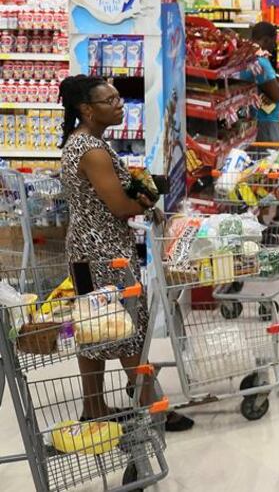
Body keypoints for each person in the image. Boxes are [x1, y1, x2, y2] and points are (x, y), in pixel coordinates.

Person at [59, 75, 193, 431]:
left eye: (119, 98)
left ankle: (95, 408)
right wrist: (147, 199)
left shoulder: (83, 142)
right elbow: (119, 205)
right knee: (127, 326)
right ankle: (152, 407)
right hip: (105, 253)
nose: (119, 105)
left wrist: (143, 195)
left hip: (86, 250)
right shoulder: (92, 150)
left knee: (92, 327)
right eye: (110, 100)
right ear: (87, 110)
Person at [242, 22, 279, 229]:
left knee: (258, 171)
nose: (274, 45)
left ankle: (263, 219)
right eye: (273, 40)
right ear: (266, 39)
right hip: (266, 122)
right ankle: (263, 221)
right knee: (267, 170)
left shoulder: (247, 59)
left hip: (254, 121)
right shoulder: (261, 63)